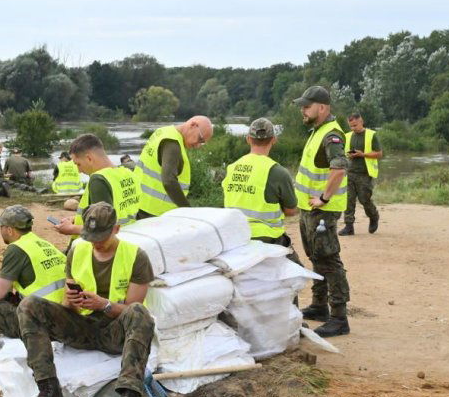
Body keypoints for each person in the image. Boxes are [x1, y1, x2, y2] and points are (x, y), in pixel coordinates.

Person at [16, 202, 155, 397]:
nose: (96, 243)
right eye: (91, 237)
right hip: (84, 327)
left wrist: (104, 305)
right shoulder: (77, 251)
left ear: (116, 229)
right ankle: (49, 393)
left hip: (115, 331)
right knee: (29, 305)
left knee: (141, 314)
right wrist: (72, 301)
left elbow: (132, 310)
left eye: (101, 236)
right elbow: (67, 308)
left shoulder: (136, 256)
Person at [0, 205, 67, 380]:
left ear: (9, 230)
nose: (1, 231)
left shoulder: (16, 249)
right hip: (63, 319)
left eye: (1, 227)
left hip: (39, 325)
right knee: (14, 299)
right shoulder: (43, 244)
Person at [292, 86, 352, 338]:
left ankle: (339, 317)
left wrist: (324, 198)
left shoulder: (331, 135)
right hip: (309, 209)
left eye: (307, 106)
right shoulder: (317, 131)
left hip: (322, 211)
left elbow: (339, 168)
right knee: (316, 256)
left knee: (328, 260)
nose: (303, 110)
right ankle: (319, 306)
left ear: (323, 107)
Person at [222, 118, 302, 266]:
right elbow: (291, 211)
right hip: (268, 239)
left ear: (248, 139)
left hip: (235, 236)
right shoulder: (278, 172)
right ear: (274, 140)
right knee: (297, 270)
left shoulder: (232, 168)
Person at [52, 134, 140, 242]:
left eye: (78, 164)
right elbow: (121, 210)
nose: (79, 171)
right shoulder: (128, 173)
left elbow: (102, 228)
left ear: (89, 158)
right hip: (127, 239)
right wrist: (77, 219)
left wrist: (71, 229)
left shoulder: (99, 179)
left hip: (102, 248)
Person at [134, 116, 213, 219]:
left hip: (139, 204)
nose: (198, 146)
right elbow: (169, 181)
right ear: (193, 125)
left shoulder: (163, 131)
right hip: (153, 213)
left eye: (202, 143)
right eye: (200, 139)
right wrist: (187, 210)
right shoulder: (172, 144)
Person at [340, 113, 382, 235]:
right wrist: (349, 155)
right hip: (349, 172)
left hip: (365, 173)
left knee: (365, 200)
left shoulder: (371, 135)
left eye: (355, 125)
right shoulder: (347, 136)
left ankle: (374, 216)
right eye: (351, 126)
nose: (353, 128)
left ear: (361, 121)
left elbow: (379, 154)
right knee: (348, 200)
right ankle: (349, 226)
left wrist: (362, 154)